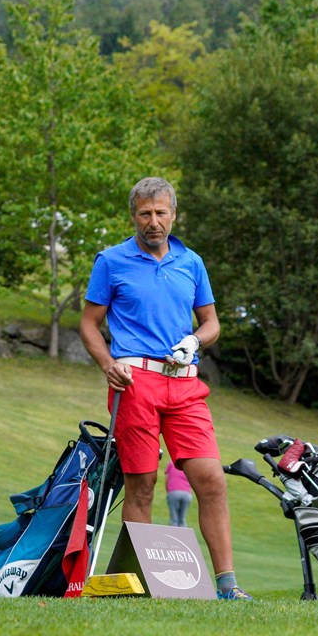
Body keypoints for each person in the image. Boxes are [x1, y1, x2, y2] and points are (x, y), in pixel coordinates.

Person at [79, 176, 252, 601]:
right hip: (134, 383)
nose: (153, 222)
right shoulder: (112, 261)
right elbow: (89, 324)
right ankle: (140, 583)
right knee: (142, 483)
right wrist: (107, 364)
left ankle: (228, 585)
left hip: (185, 384)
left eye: (161, 213)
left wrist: (195, 339)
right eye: (145, 214)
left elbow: (211, 322)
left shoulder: (191, 262)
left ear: (173, 214)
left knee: (210, 479)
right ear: (133, 216)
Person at [165, 460, 193, 528]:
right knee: (182, 519)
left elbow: (167, 478)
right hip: (187, 494)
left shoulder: (171, 463)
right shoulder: (189, 463)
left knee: (174, 519)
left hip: (173, 492)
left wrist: (168, 490)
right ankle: (183, 536)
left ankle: (172, 536)